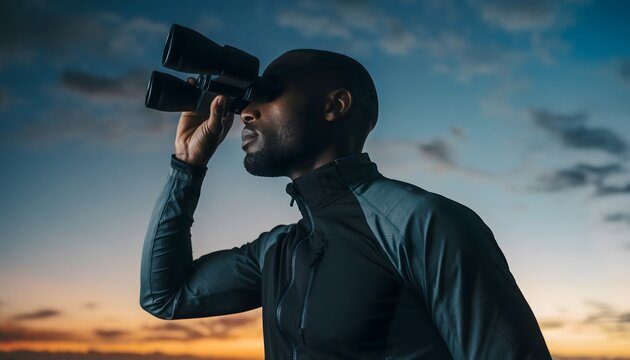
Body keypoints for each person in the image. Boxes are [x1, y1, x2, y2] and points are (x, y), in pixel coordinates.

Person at [140, 49, 552, 359]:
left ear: (335, 106)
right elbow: (166, 296)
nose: (246, 112)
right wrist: (186, 166)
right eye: (245, 100)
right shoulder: (279, 250)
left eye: (267, 93)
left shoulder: (421, 223)